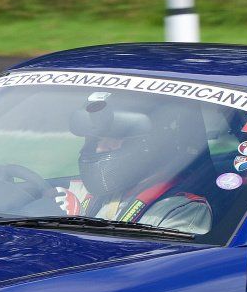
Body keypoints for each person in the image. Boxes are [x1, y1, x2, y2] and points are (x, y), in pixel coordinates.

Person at [55, 94, 214, 234]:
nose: (99, 148)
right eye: (94, 140)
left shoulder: (183, 210)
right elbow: (55, 193)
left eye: (112, 139)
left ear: (148, 143)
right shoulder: (97, 189)